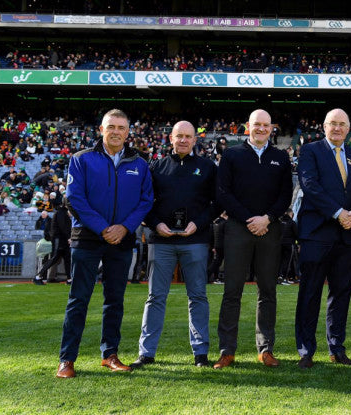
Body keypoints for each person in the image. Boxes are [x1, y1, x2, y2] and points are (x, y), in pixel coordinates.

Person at [56, 109, 153, 378]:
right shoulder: (81, 159)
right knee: (79, 299)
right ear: (101, 129)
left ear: (128, 131)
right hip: (87, 238)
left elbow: (146, 201)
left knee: (114, 301)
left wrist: (124, 227)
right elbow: (74, 199)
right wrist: (103, 228)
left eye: (121, 127)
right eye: (111, 126)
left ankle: (110, 354)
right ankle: (67, 359)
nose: (116, 132)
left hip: (122, 239)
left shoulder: (140, 163)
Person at [131, 121, 217, 369]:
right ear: (171, 138)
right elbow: (144, 202)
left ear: (195, 140)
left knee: (198, 296)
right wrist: (156, 225)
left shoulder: (207, 167)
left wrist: (198, 224)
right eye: (179, 136)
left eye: (188, 136)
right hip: (162, 241)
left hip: (196, 241)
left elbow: (216, 203)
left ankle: (201, 353)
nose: (183, 140)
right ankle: (146, 353)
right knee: (155, 297)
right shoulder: (156, 166)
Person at [214, 109, 292, 369]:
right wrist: (250, 219)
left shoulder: (281, 157)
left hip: (269, 230)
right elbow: (223, 192)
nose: (261, 129)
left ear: (272, 128)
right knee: (232, 291)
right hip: (238, 229)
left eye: (266, 125)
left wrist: (266, 219)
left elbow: (285, 196)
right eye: (256, 124)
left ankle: (265, 349)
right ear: (247, 126)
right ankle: (227, 350)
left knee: (268, 291)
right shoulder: (232, 154)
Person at [294, 108, 351, 369]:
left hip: (347, 237)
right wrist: (338, 213)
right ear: (324, 127)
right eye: (332, 124)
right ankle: (305, 350)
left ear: (348, 129)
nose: (337, 128)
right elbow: (310, 186)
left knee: (341, 294)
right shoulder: (311, 151)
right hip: (316, 234)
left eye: (342, 124)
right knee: (309, 292)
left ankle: (336, 347)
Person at [36, 202, 72, 284]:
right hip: (59, 239)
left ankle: (69, 279)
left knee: (66, 259)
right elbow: (63, 227)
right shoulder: (61, 213)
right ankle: (39, 276)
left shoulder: (61, 213)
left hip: (61, 239)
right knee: (54, 258)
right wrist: (68, 237)